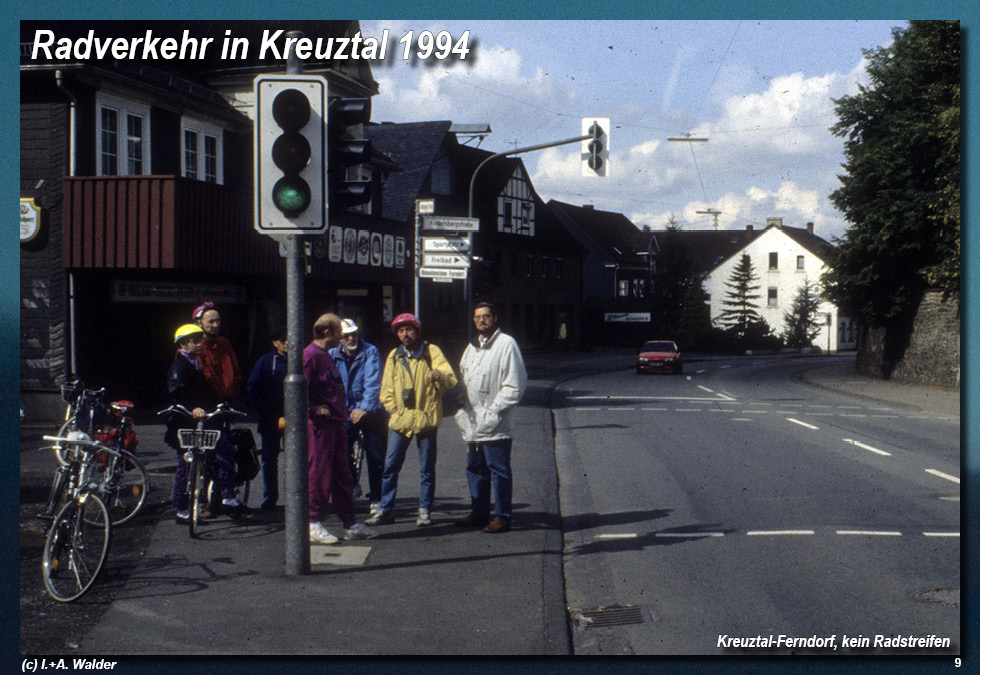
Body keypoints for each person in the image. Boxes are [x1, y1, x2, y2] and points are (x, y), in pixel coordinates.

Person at [367, 313, 457, 527]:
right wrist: (392, 408)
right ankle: (386, 511)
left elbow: (451, 379)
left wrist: (439, 374)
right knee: (390, 468)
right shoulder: (394, 356)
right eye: (401, 330)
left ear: (417, 331)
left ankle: (424, 511)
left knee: (427, 470)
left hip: (426, 419)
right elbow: (386, 388)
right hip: (401, 421)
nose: (405, 334)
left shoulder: (431, 351)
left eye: (408, 329)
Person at [303, 313, 378, 544]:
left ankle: (350, 524)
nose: (343, 338)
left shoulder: (325, 355)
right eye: (340, 333)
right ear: (328, 333)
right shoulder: (310, 356)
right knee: (320, 474)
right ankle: (313, 522)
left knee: (342, 475)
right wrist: (313, 409)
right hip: (321, 426)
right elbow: (296, 392)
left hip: (336, 423)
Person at [454, 303, 527, 533]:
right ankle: (479, 513)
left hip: (496, 423)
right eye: (478, 317)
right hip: (473, 423)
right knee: (475, 469)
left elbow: (515, 385)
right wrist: (462, 406)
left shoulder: (506, 344)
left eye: (486, 316)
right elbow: (464, 379)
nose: (482, 320)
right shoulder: (472, 347)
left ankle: (503, 517)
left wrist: (493, 412)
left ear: (495, 318)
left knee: (499, 470)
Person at [165, 324, 247, 521]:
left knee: (223, 452)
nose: (199, 344)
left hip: (201, 421)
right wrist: (192, 407)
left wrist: (219, 404)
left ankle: (226, 496)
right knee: (186, 464)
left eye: (199, 340)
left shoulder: (197, 362)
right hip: (186, 424)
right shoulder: (179, 365)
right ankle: (182, 508)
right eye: (194, 341)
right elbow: (178, 392)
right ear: (183, 345)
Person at [330, 319, 387, 513]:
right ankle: (352, 483)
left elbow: (373, 382)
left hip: (370, 409)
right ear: (340, 338)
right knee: (340, 448)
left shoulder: (370, 351)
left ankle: (377, 497)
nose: (351, 338)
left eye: (354, 334)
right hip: (345, 410)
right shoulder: (332, 354)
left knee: (376, 455)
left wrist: (364, 408)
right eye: (346, 336)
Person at [246, 325, 288, 510]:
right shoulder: (265, 361)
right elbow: (253, 389)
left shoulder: (302, 360)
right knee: (270, 459)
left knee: (297, 458)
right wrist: (268, 414)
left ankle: (298, 497)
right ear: (275, 343)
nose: (287, 343)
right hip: (270, 418)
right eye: (282, 340)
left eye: (289, 339)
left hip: (295, 417)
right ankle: (270, 497)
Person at [193, 302, 242, 402]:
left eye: (218, 321)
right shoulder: (194, 346)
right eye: (211, 321)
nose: (216, 325)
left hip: (228, 400)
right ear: (199, 323)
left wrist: (234, 393)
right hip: (206, 402)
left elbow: (235, 370)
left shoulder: (224, 343)